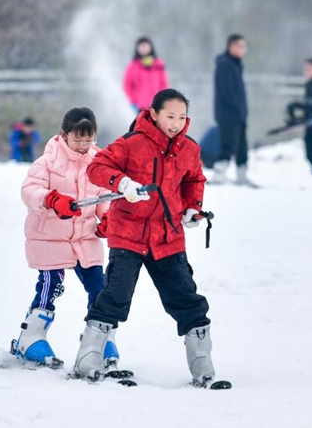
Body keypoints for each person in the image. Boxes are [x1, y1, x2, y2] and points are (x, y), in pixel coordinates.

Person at [72, 89, 218, 387]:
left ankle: (201, 359)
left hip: (168, 238)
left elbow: (194, 179)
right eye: (169, 116)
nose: (176, 123)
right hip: (128, 235)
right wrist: (123, 183)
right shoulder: (131, 143)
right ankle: (88, 355)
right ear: (153, 113)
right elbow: (97, 168)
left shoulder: (189, 148)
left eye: (181, 117)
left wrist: (193, 209)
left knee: (185, 297)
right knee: (115, 296)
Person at [13, 107, 115, 368]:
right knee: (51, 284)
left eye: (88, 139)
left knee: (99, 289)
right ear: (64, 135)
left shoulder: (100, 163)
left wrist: (108, 219)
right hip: (50, 239)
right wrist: (52, 199)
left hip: (85, 239)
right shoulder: (47, 163)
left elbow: (104, 198)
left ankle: (98, 340)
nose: (83, 145)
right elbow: (29, 191)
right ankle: (31, 337)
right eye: (77, 139)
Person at [212, 34, 255, 186]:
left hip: (239, 114)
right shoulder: (225, 64)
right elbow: (227, 92)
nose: (244, 50)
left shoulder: (236, 64)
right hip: (228, 114)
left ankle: (242, 174)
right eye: (241, 46)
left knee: (242, 145)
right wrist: (237, 107)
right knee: (228, 144)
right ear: (232, 46)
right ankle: (219, 174)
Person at [123, 37, 168, 113]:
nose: (144, 48)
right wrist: (134, 101)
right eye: (141, 46)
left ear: (151, 47)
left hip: (157, 105)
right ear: (137, 48)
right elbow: (127, 86)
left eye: (146, 45)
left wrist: (162, 99)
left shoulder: (158, 64)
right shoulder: (132, 66)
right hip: (140, 107)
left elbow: (164, 83)